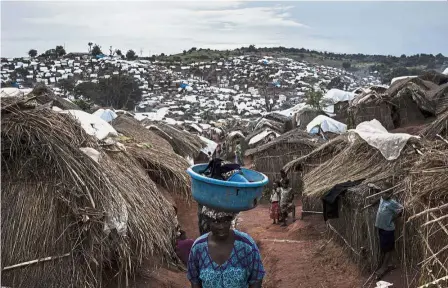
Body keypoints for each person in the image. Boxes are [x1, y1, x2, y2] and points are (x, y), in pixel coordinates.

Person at [187, 207, 265, 288]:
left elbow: (256, 279)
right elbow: (195, 281)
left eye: (226, 221)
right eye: (216, 221)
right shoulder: (198, 247)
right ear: (208, 221)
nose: (222, 226)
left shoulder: (246, 245)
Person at [372, 183, 403, 280]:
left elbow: (402, 209)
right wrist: (374, 201)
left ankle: (384, 267)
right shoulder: (382, 198)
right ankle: (387, 264)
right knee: (384, 248)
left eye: (386, 193)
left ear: (390, 194)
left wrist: (393, 218)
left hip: (388, 229)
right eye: (383, 192)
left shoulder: (392, 203)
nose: (384, 194)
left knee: (388, 249)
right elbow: (379, 198)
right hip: (381, 228)